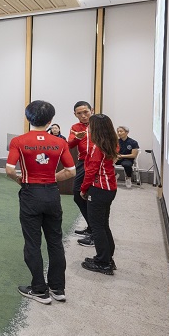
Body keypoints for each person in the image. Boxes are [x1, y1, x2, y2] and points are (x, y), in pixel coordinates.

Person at [6, 100, 76, 305]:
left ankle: (39, 289)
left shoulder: (19, 141)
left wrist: (20, 179)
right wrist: (53, 179)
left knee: (32, 242)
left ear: (27, 118)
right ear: (51, 120)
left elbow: (10, 169)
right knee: (55, 241)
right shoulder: (60, 142)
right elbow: (71, 171)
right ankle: (57, 288)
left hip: (30, 193)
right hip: (52, 194)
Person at [80, 114, 120, 275]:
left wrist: (83, 189)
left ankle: (103, 262)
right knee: (103, 225)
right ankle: (107, 258)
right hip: (109, 188)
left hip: (99, 189)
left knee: (97, 227)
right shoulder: (111, 143)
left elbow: (91, 171)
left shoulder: (98, 147)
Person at [68, 101, 95, 245]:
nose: (83, 116)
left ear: (92, 110)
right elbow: (69, 145)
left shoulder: (99, 123)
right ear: (75, 114)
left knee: (93, 199)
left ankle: (95, 232)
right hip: (82, 163)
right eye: (79, 113)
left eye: (86, 112)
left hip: (96, 163)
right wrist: (76, 138)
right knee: (78, 195)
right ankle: (91, 228)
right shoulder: (75, 127)